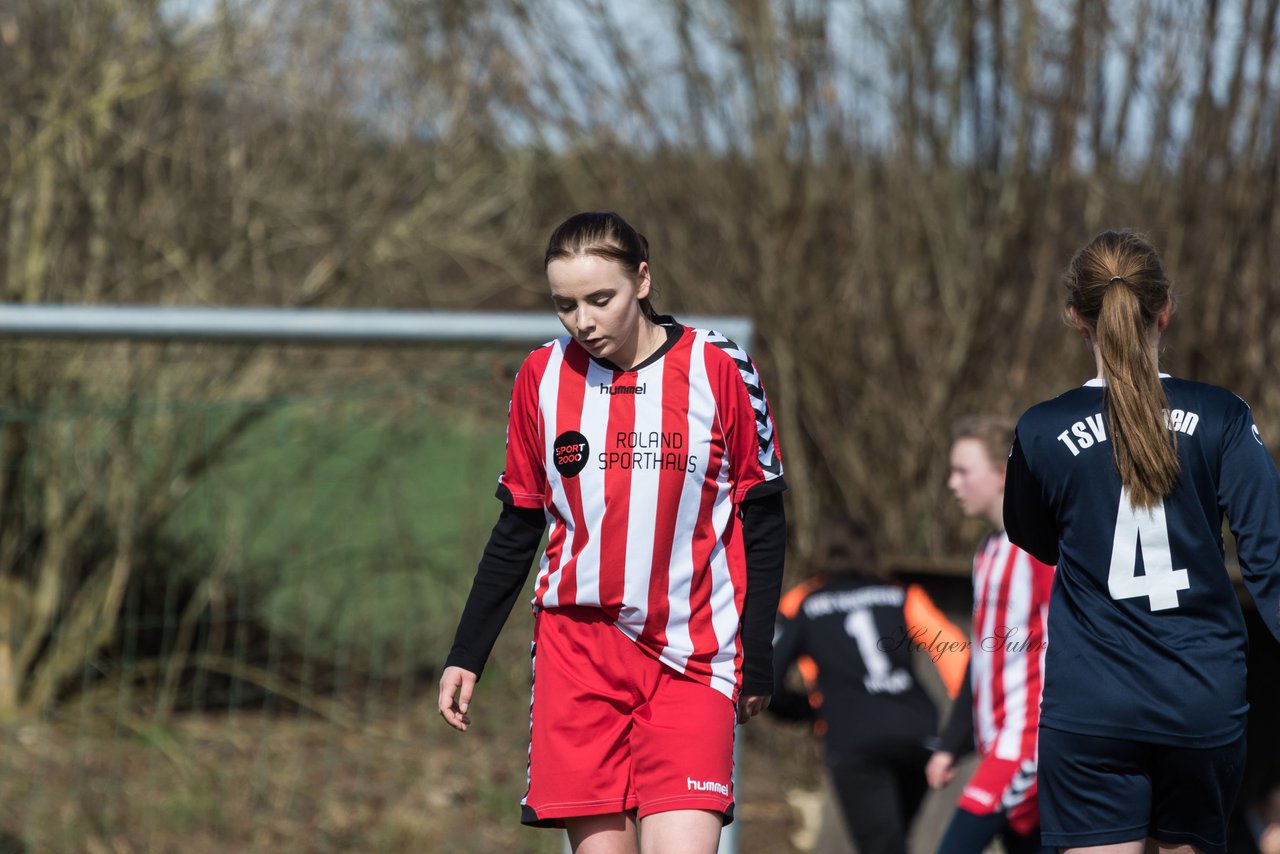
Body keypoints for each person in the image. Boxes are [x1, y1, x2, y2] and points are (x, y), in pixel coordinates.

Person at [437, 211, 788, 854]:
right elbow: (518, 523)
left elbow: (763, 515)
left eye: (601, 299)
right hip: (579, 656)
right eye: (565, 305)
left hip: (692, 655)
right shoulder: (540, 378)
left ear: (643, 280)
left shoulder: (719, 367)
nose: (584, 321)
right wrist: (468, 651)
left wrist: (757, 650)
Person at [1003, 229, 1280, 854]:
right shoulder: (1222, 415)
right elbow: (1270, 553)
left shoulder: (1042, 428)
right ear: (1166, 311)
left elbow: (1032, 535)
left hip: (1092, 701)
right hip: (1201, 697)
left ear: (1076, 318)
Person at [770, 515, 969, 854]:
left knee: (882, 845)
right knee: (892, 841)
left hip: (855, 737)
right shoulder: (901, 595)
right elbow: (958, 657)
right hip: (917, 733)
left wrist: (810, 709)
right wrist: (963, 726)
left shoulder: (804, 602)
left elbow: (768, 680)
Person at [926, 416, 1055, 854]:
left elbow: (1074, 643)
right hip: (994, 746)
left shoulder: (1040, 548)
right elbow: (983, 662)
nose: (952, 483)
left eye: (963, 471)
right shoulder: (987, 553)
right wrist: (951, 744)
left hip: (1028, 746)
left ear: (1002, 473)